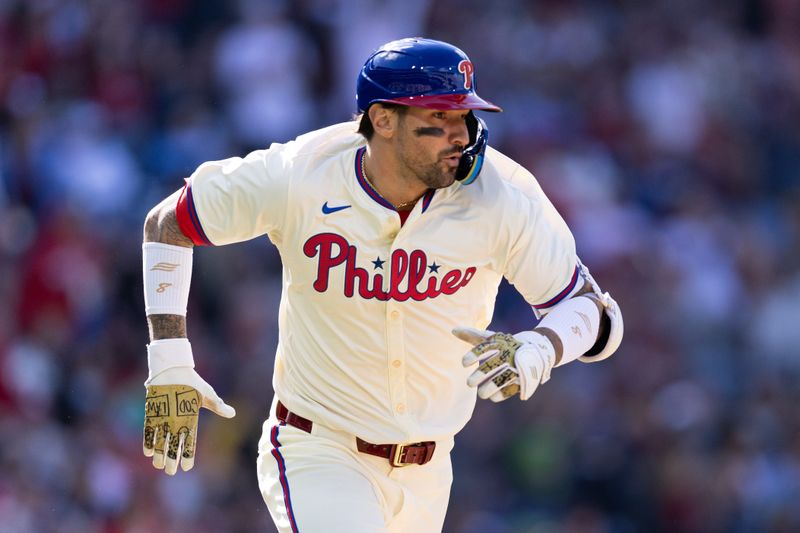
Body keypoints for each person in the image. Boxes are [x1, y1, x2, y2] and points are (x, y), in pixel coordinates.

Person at [141, 37, 623, 533]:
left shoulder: (501, 194)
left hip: (430, 472)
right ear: (384, 119)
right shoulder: (300, 173)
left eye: (466, 116)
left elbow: (596, 315)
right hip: (319, 449)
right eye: (440, 117)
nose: (461, 135)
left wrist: (540, 346)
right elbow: (167, 224)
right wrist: (170, 359)